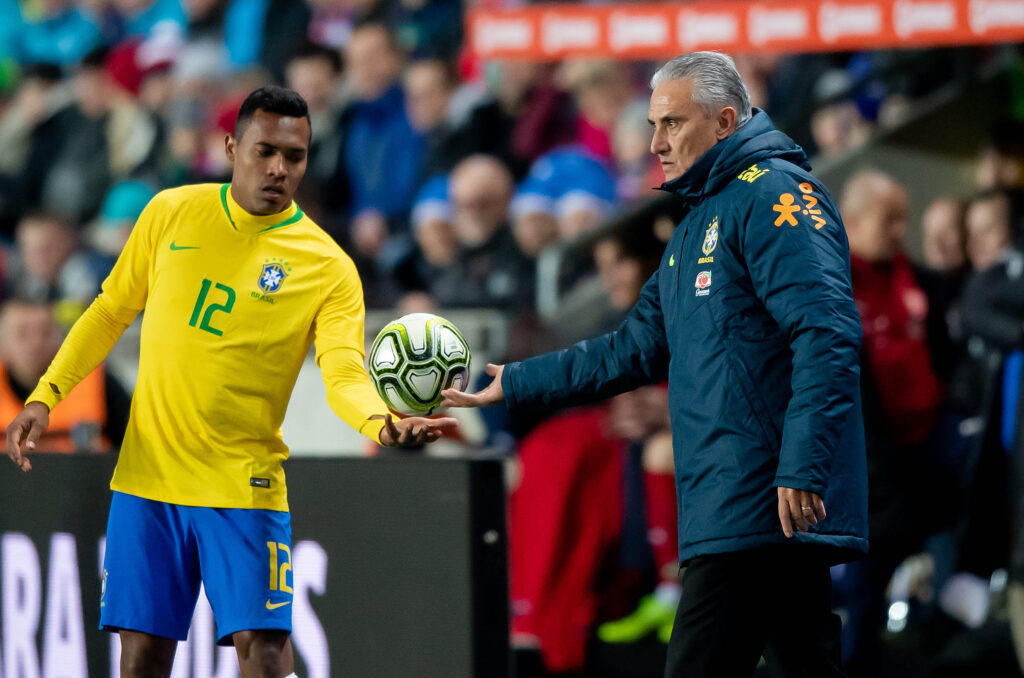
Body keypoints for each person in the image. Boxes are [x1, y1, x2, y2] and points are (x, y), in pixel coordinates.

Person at [4, 86, 454, 678]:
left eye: (294, 157)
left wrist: (380, 421)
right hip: (149, 480)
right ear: (230, 146)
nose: (278, 168)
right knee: (140, 658)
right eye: (264, 150)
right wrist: (47, 394)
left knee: (265, 655)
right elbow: (111, 310)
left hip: (243, 486)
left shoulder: (329, 268)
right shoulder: (170, 213)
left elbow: (342, 371)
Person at [443, 51, 868, 677]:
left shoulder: (778, 195)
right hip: (737, 501)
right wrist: (515, 382)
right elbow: (629, 349)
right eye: (652, 124)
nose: (656, 142)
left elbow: (827, 334)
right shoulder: (700, 221)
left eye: (672, 123)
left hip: (759, 499)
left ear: (725, 121)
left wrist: (802, 466)